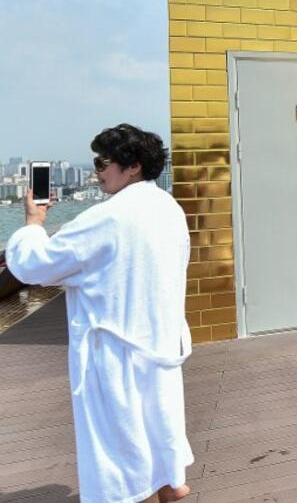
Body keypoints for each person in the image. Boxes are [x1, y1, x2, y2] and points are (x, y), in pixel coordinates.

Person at [5, 124, 193, 503]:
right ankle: (171, 486)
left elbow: (34, 265)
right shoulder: (167, 207)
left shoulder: (108, 217)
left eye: (104, 162)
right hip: (158, 342)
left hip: (116, 353)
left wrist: (33, 224)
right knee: (158, 425)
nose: (98, 171)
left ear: (133, 166)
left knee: (120, 449)